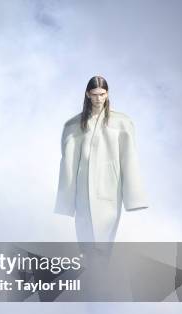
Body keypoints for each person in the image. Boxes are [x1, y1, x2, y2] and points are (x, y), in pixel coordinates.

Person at [55, 75, 148, 242]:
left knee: (104, 242)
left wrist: (134, 198)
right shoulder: (74, 125)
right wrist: (66, 201)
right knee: (86, 240)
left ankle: (101, 266)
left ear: (107, 94)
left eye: (102, 94)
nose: (99, 99)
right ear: (87, 94)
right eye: (95, 94)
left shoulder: (122, 123)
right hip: (82, 193)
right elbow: (67, 167)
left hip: (110, 191)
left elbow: (130, 160)